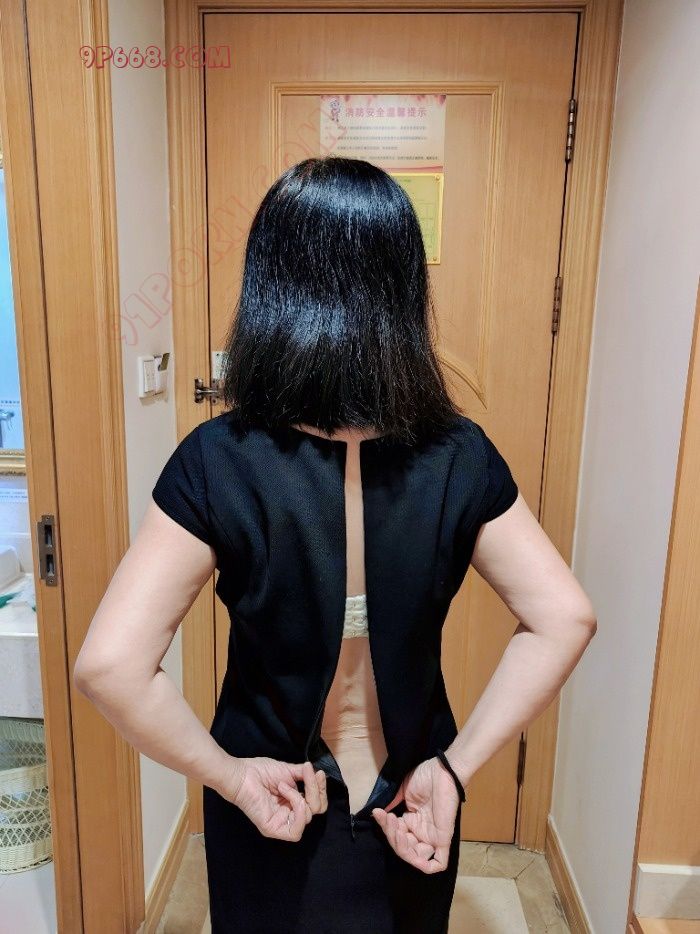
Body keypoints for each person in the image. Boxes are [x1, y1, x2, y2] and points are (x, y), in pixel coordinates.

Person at [73, 156, 597, 933]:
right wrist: (453, 773)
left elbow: (109, 666)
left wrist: (232, 780)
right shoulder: (459, 455)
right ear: (402, 292)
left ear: (271, 288)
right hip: (413, 796)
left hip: (274, 797)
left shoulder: (218, 459)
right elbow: (567, 618)